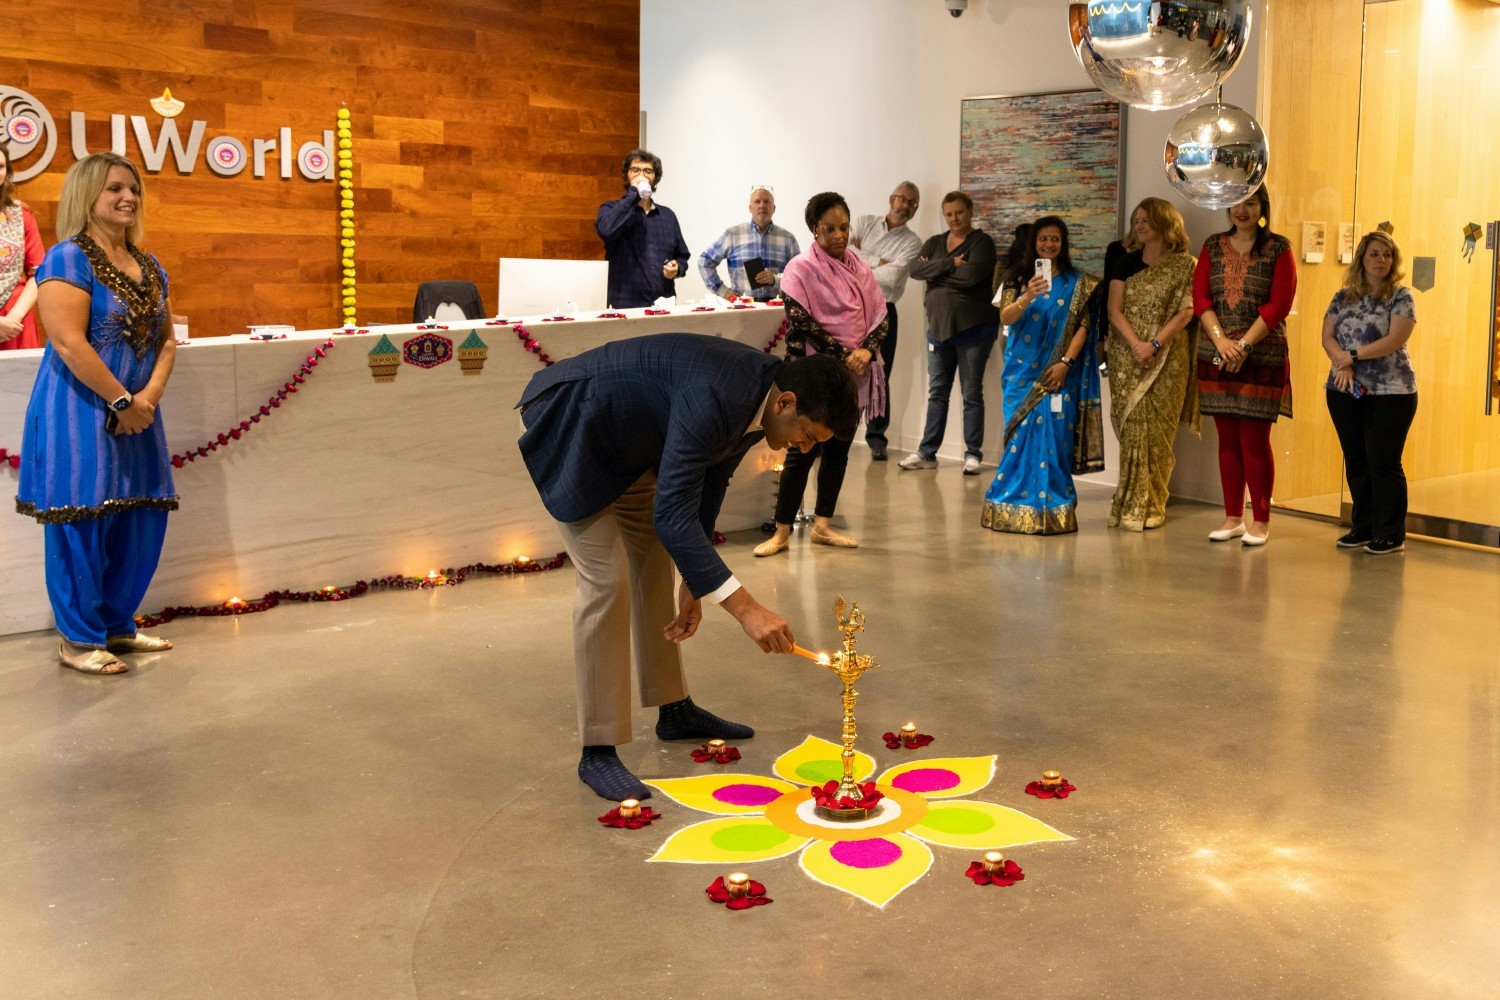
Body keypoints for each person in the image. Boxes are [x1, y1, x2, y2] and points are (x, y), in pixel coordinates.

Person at [516, 333, 859, 800]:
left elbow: (710, 476)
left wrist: (695, 580)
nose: (803, 449)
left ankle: (673, 710)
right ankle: (597, 750)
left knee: (655, 561)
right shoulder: (718, 396)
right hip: (575, 428)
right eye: (807, 436)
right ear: (787, 402)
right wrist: (746, 609)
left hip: (632, 446)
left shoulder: (759, 396)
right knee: (608, 580)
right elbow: (671, 514)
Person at [15, 153, 177, 675]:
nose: (127, 197)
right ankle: (78, 640)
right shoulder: (67, 259)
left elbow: (167, 341)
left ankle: (116, 626)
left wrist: (146, 399)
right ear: (87, 195)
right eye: (113, 189)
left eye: (133, 188)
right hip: (79, 410)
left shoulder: (151, 266)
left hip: (139, 415)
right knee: (81, 518)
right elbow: (66, 342)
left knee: (139, 516)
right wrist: (122, 401)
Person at [755, 192, 888, 556]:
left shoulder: (859, 267)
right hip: (813, 374)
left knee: (839, 449)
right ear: (815, 229)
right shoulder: (800, 268)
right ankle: (781, 532)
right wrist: (847, 354)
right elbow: (801, 321)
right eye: (829, 229)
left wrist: (864, 351)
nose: (838, 235)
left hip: (854, 373)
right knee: (801, 452)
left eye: (843, 228)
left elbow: (881, 314)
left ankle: (823, 525)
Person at [982, 216, 1102, 534]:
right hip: (1021, 375)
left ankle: (1055, 507)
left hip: (1059, 374)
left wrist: (1065, 362)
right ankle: (1008, 505)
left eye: (1055, 239)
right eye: (1043, 239)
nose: (1049, 245)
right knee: (1018, 440)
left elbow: (1084, 327)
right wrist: (1028, 295)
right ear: (1033, 242)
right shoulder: (1016, 279)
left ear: (1063, 244)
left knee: (1057, 440)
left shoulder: (1079, 283)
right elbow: (1006, 317)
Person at [1192, 185, 1297, 546]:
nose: (1242, 210)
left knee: (1254, 438)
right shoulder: (1211, 245)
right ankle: (1233, 516)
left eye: (1250, 202)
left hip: (1262, 354)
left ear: (1262, 206)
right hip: (1216, 353)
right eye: (1236, 203)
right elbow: (1201, 298)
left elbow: (1280, 303)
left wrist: (1244, 345)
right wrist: (1221, 340)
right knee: (1227, 439)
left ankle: (1261, 520)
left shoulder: (1279, 247)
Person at [1104, 197, 1200, 531]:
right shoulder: (1125, 263)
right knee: (1131, 429)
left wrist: (1155, 344)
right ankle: (1127, 504)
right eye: (1137, 220)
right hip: (1126, 356)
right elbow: (1114, 310)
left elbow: (1187, 311)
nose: (1139, 226)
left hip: (1169, 358)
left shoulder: (1187, 265)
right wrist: (1136, 344)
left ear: (1164, 223)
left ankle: (1152, 504)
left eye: (1146, 220)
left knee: (1159, 435)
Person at [1322, 231, 1418, 555]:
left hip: (1391, 392)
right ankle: (1362, 527)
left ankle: (1391, 533)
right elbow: (1328, 337)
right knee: (1357, 460)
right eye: (1375, 254)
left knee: (1383, 461)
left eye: (1387, 255)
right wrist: (1343, 364)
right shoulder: (1343, 296)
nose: (1382, 260)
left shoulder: (1401, 295)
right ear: (1362, 258)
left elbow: (1395, 339)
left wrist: (1352, 356)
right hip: (1344, 389)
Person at [900, 191, 999, 475]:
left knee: (971, 393)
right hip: (938, 331)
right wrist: (948, 264)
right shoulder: (934, 242)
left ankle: (973, 454)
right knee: (937, 393)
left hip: (974, 331)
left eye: (959, 212)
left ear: (970, 211)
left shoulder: (982, 243)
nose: (954, 219)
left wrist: (935, 272)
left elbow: (970, 278)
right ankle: (927, 452)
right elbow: (915, 269)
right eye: (949, 214)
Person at [848, 182, 923, 460]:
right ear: (891, 198)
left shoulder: (913, 242)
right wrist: (878, 261)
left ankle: (876, 437)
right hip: (851, 307)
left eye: (912, 203)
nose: (905, 205)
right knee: (843, 368)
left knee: (880, 374)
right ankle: (831, 429)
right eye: (902, 199)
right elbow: (843, 258)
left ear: (915, 209)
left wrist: (859, 260)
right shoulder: (864, 222)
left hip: (884, 310)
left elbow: (893, 278)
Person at [594, 148, 689, 308]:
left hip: (663, 306)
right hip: (624, 306)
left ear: (655, 178)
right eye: (635, 170)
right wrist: (633, 193)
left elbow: (682, 256)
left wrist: (677, 268)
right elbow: (606, 230)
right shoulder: (610, 208)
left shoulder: (667, 215)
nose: (641, 175)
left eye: (648, 171)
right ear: (627, 175)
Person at [696, 186, 800, 303]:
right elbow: (704, 261)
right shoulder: (733, 235)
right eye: (757, 201)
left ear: (774, 208)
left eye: (766, 202)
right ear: (750, 208)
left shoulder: (788, 239)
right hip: (742, 308)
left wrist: (775, 280)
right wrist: (723, 291)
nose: (762, 205)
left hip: (777, 308)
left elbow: (799, 276)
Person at [0, 138, 45, 351]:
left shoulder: (21, 214)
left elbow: (38, 273)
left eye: (0, 166)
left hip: (15, 322)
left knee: (17, 384)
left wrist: (14, 318)